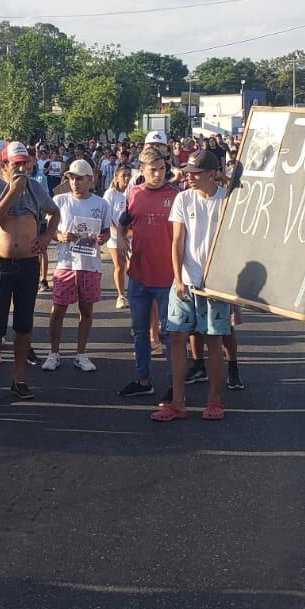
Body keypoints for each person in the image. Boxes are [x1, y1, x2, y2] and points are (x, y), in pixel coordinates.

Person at [152, 150, 231, 422]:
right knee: (176, 337)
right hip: (185, 280)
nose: (190, 177)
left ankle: (215, 400)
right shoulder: (183, 199)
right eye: (188, 172)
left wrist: (228, 179)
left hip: (215, 285)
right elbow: (176, 241)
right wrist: (177, 277)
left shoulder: (228, 200)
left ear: (212, 173)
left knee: (213, 340)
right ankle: (177, 402)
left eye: (196, 173)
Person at [0, 141, 59, 404]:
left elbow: (54, 213)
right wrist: (13, 192)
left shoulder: (35, 187)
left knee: (24, 325)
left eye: (25, 163)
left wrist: (47, 237)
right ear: (4, 165)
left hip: (28, 265)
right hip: (1, 265)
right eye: (16, 164)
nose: (22, 168)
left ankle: (19, 378)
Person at [116, 145, 179, 400]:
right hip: (139, 275)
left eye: (163, 169)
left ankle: (175, 387)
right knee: (140, 332)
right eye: (153, 169)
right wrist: (119, 237)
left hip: (168, 277)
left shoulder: (176, 195)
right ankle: (143, 379)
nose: (159, 174)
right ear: (141, 170)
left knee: (170, 335)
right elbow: (123, 221)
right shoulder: (135, 195)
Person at [43, 159, 111, 373]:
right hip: (65, 263)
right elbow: (49, 230)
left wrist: (102, 238)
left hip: (90, 264)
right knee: (58, 310)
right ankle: (54, 352)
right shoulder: (59, 200)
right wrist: (59, 236)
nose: (75, 182)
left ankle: (81, 353)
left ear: (90, 179)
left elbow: (107, 230)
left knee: (86, 310)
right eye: (71, 178)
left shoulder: (101, 204)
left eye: (80, 178)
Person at [103, 164, 131, 311]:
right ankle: (121, 295)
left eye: (128, 175)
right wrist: (119, 234)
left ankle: (133, 294)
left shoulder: (133, 192)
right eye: (123, 175)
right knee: (120, 265)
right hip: (115, 236)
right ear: (116, 177)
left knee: (133, 267)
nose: (126, 178)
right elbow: (108, 217)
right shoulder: (110, 194)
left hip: (131, 235)